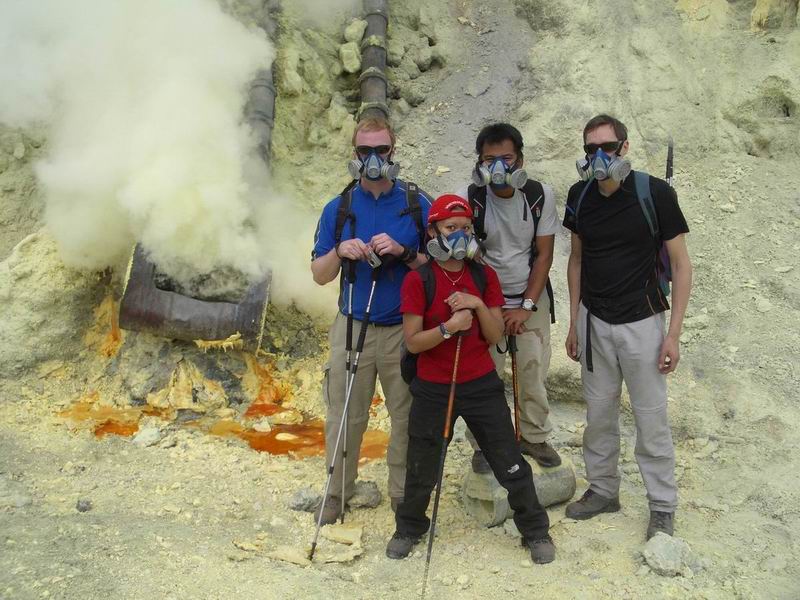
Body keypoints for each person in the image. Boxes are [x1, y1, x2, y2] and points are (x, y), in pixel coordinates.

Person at [385, 194, 555, 564]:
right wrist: (448, 327)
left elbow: (495, 337)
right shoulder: (419, 280)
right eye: (450, 228)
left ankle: (535, 530)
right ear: (433, 231)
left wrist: (477, 306)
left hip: (479, 383)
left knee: (509, 459)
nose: (459, 235)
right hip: (433, 387)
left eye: (465, 228)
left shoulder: (483, 275)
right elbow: (413, 343)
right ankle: (410, 527)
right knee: (421, 464)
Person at [562, 114, 692, 540]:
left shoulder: (654, 193)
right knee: (598, 415)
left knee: (650, 417)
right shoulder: (580, 196)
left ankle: (662, 505)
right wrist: (574, 321)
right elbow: (577, 258)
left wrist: (672, 333)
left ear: (625, 147)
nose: (599, 157)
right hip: (596, 322)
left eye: (608, 148)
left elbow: (680, 263)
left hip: (643, 321)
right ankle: (603, 490)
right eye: (590, 150)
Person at [310, 117, 432, 524]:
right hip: (351, 325)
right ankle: (336, 493)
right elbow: (320, 274)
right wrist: (340, 251)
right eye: (365, 152)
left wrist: (404, 251)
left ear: (393, 152)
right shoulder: (339, 208)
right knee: (345, 414)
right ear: (355, 155)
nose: (374, 159)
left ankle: (403, 498)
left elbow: (440, 265)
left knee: (406, 417)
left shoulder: (416, 204)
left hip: (403, 327)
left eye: (381, 151)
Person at [457, 123, 562, 471]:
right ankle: (485, 445)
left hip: (530, 296)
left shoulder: (539, 195)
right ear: (479, 163)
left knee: (532, 371)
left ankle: (534, 437)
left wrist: (526, 306)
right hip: (487, 299)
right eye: (490, 160)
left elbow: (544, 255)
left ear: (520, 160)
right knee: (484, 377)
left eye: (506, 159)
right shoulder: (470, 198)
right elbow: (467, 253)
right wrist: (492, 307)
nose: (498, 169)